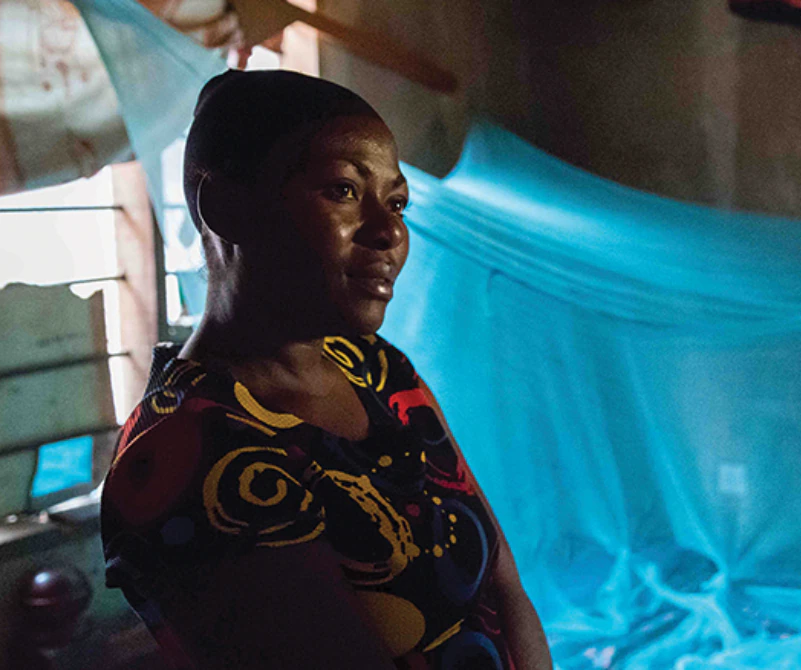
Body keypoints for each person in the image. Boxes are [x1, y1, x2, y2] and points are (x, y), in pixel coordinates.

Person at [100, 69, 553, 670]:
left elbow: (504, 586)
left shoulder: (376, 369)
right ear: (225, 208)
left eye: (396, 202)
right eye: (343, 191)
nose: (390, 231)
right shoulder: (200, 459)